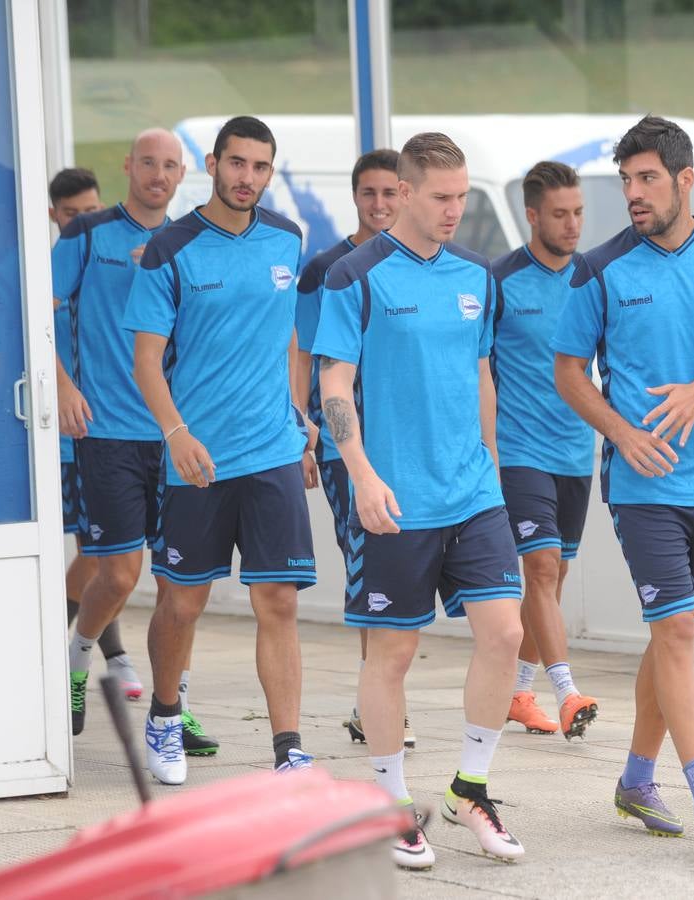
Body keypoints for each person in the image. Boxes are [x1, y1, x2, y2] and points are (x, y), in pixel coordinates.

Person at [552, 115, 694, 852]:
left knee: (672, 638)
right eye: (626, 180)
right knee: (677, 631)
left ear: (685, 180)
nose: (633, 193)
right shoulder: (600, 269)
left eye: (647, 178)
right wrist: (620, 432)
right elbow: (567, 372)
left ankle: (636, 777)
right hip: (642, 483)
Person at [314, 132, 526, 870]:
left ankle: (470, 789)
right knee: (392, 654)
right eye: (441, 197)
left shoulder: (477, 276)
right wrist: (361, 473)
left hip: (471, 491)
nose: (455, 210)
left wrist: (493, 465)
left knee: (504, 634)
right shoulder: (355, 276)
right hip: (395, 497)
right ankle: (391, 803)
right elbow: (333, 384)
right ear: (401, 193)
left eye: (462, 197)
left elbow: (479, 374)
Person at [124, 115, 319, 786]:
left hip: (271, 452)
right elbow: (145, 361)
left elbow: (292, 336)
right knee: (182, 602)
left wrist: (298, 413)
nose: (248, 179)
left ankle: (288, 746)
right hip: (196, 462)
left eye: (261, 167)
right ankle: (166, 715)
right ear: (212, 163)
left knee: (280, 603)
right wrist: (176, 434)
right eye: (237, 164)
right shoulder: (169, 249)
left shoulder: (287, 240)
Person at [53, 131, 218, 759]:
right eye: (147, 163)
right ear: (128, 167)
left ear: (183, 175)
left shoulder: (188, 242)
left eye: (169, 166)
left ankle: (173, 708)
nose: (158, 174)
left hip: (176, 437)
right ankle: (77, 659)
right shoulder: (87, 234)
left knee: (184, 588)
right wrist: (64, 385)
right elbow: (36, 313)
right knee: (119, 572)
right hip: (108, 434)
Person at [293, 148, 416, 751]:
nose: (381, 205)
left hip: (408, 448)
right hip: (346, 451)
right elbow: (303, 351)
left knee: (397, 569)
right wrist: (303, 429)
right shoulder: (327, 268)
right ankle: (376, 705)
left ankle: (377, 698)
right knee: (368, 566)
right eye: (370, 194)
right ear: (355, 197)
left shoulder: (419, 263)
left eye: (391, 193)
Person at [490, 161, 599, 740]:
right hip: (518, 450)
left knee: (551, 584)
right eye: (560, 214)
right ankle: (566, 691)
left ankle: (518, 691)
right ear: (532, 215)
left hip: (576, 453)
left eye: (578, 212)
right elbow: (478, 371)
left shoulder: (592, 278)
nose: (572, 223)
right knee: (540, 566)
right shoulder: (500, 280)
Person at [47, 168, 142, 701]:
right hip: (68, 442)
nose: (83, 222)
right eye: (71, 215)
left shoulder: (118, 267)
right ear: (54, 216)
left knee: (104, 557)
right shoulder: (53, 283)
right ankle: (85, 658)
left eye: (90, 211)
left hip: (108, 438)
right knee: (104, 558)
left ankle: (102, 658)